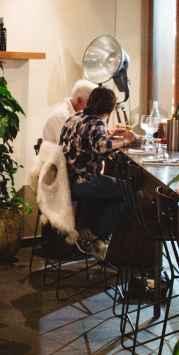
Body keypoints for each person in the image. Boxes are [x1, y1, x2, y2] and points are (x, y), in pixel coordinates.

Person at [59, 86, 136, 261]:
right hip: (83, 183)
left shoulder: (75, 117)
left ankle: (100, 241)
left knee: (114, 191)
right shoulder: (97, 121)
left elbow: (88, 141)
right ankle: (92, 234)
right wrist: (126, 140)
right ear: (110, 109)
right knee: (133, 193)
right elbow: (101, 147)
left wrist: (110, 135)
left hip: (66, 181)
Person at [42, 80, 97, 144]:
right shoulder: (61, 116)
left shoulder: (81, 114)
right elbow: (67, 146)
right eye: (92, 103)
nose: (94, 107)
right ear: (80, 101)